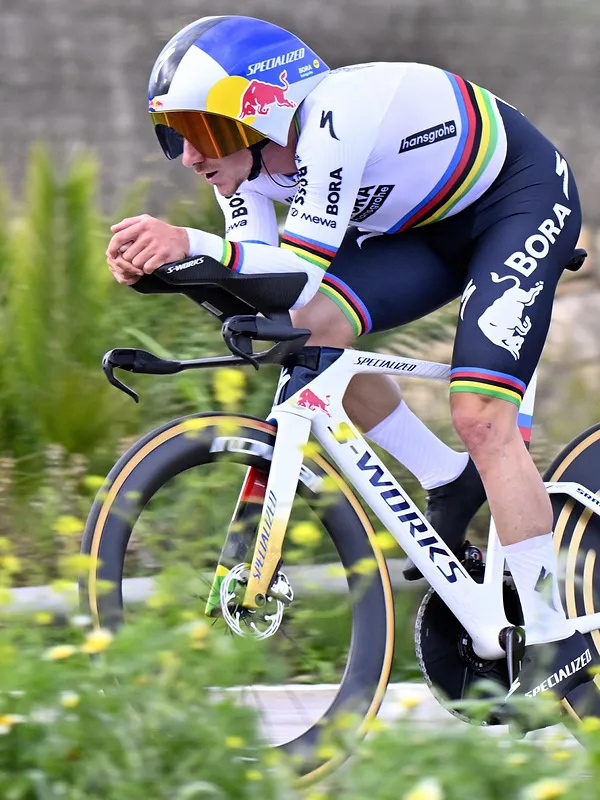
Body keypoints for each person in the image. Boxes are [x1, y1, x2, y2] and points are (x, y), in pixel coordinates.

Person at [106, 15, 596, 719]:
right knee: (306, 334)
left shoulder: (331, 117)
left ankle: (553, 638)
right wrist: (170, 270)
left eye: (202, 131)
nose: (188, 156)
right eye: (174, 135)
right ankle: (445, 477)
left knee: (481, 414)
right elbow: (274, 296)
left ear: (263, 110)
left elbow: (298, 265)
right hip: (425, 231)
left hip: (515, 201)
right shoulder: (238, 175)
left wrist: (193, 244)